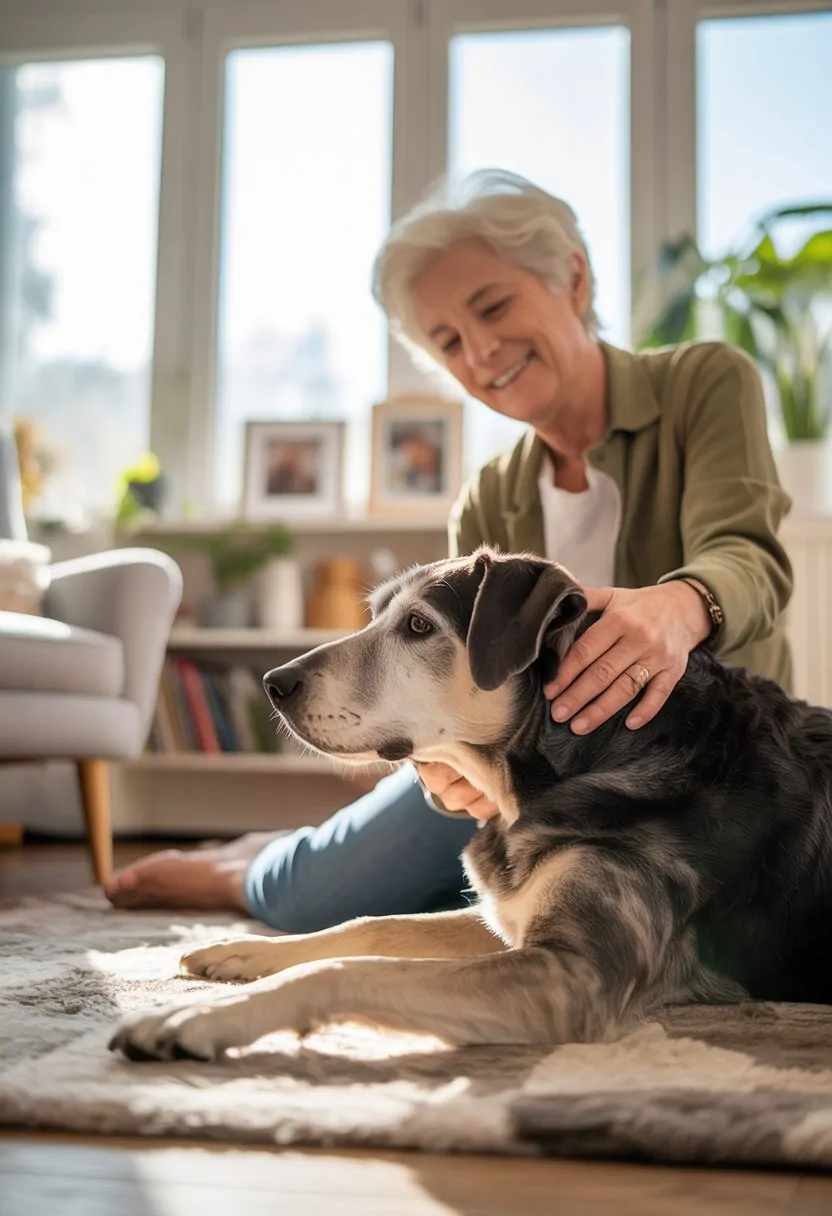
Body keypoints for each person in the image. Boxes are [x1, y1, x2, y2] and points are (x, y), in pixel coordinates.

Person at [104, 169, 793, 928]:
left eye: (493, 306)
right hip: (531, 773)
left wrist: (680, 606)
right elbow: (445, 699)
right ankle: (263, 869)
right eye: (449, 341)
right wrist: (444, 778)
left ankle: (268, 859)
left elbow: (748, 553)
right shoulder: (488, 495)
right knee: (316, 901)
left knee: (446, 899)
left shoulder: (700, 383)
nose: (482, 352)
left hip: (693, 767)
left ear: (572, 276)